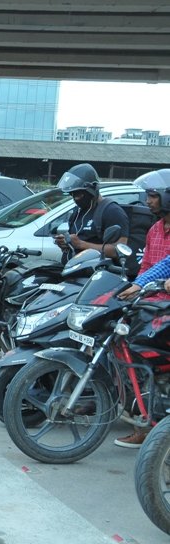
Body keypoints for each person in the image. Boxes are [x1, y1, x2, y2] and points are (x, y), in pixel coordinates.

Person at [114, 170, 170, 448]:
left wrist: (143, 285)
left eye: (153, 196)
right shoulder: (154, 229)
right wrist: (135, 287)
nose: (147, 201)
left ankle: (152, 426)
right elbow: (150, 265)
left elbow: (166, 266)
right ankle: (139, 416)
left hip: (165, 306)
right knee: (122, 345)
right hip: (152, 302)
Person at [53, 163, 129, 261]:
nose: (75, 199)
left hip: (97, 272)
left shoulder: (112, 211)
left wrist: (81, 244)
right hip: (72, 269)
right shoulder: (77, 212)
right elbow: (75, 245)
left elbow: (119, 250)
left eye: (78, 194)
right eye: (72, 194)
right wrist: (65, 244)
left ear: (92, 190)